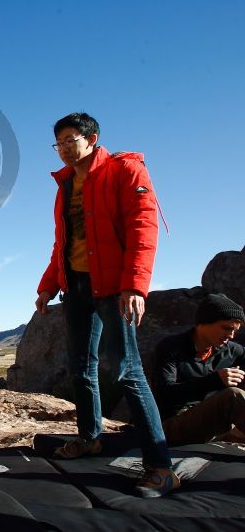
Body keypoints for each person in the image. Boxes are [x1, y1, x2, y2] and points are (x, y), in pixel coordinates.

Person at [35, 112, 178, 498]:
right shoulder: (65, 185)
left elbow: (143, 228)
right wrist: (48, 286)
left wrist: (135, 285)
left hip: (114, 287)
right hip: (76, 287)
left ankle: (161, 467)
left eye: (71, 140)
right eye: (59, 143)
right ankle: (90, 438)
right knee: (82, 368)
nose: (64, 149)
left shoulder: (124, 170)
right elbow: (62, 243)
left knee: (128, 370)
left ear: (92, 138)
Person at [153, 293, 245, 445]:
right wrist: (215, 380)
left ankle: (228, 435)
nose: (231, 335)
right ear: (203, 323)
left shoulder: (230, 350)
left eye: (235, 331)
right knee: (233, 396)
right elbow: (165, 394)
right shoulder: (170, 348)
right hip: (171, 426)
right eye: (226, 328)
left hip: (211, 424)